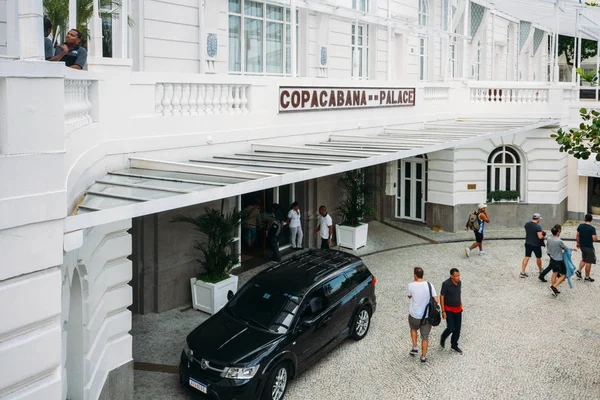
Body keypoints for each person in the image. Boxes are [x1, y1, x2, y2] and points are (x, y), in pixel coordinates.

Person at [407, 267, 438, 363]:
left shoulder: (411, 285)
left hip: (414, 315)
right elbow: (436, 300)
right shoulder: (429, 285)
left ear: (415, 275)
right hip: (427, 316)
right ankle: (423, 357)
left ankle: (415, 347)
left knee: (413, 329)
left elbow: (409, 296)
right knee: (425, 337)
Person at [440, 268, 463, 354]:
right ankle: (443, 337)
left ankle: (454, 345)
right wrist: (443, 311)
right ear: (451, 276)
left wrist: (461, 304)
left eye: (459, 275)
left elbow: (458, 294)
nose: (458, 278)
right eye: (456, 276)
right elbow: (442, 297)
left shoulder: (459, 283)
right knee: (451, 328)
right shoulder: (446, 284)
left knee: (457, 329)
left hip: (458, 309)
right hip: (449, 309)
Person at [543, 225, 570, 296]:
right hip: (559, 260)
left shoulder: (549, 238)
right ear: (558, 232)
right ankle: (553, 286)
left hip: (552, 258)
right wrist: (572, 249)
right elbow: (566, 248)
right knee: (564, 275)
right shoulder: (559, 241)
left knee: (554, 273)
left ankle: (554, 289)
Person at [520, 213, 544, 278]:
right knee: (538, 257)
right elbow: (540, 237)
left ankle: (522, 272)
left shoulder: (527, 224)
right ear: (538, 219)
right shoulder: (538, 226)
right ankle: (540, 270)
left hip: (528, 243)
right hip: (536, 244)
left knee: (527, 256)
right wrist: (543, 235)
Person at [576, 213, 597, 282]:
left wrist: (578, 243)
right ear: (591, 220)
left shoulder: (580, 226)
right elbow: (594, 238)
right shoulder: (592, 229)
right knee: (589, 262)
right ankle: (587, 277)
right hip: (589, 247)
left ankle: (578, 271)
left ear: (585, 219)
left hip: (582, 246)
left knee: (584, 259)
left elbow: (577, 235)